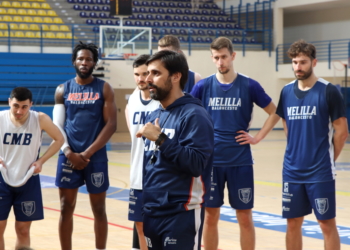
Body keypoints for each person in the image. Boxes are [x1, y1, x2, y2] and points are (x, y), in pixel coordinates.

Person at [190, 37, 280, 250]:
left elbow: (275, 112)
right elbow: (187, 113)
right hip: (211, 163)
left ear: (233, 56)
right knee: (211, 217)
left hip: (240, 161)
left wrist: (257, 137)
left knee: (245, 217)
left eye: (223, 57)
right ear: (212, 59)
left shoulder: (249, 85)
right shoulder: (203, 86)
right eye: (216, 58)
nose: (220, 62)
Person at [136, 50, 214, 250]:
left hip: (181, 214)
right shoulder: (154, 115)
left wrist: (161, 138)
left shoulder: (195, 115)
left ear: (176, 76)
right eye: (147, 73)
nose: (148, 79)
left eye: (155, 73)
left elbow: (196, 164)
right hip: (152, 212)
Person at [276, 40, 349, 250]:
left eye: (303, 62)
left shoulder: (328, 91)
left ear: (314, 62)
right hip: (291, 170)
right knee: (292, 223)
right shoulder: (286, 91)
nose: (298, 67)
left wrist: (328, 160)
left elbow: (341, 132)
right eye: (295, 62)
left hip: (320, 171)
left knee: (326, 224)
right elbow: (286, 123)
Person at [53, 42, 117, 250]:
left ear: (95, 63)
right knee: (65, 207)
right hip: (68, 155)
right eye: (81, 58)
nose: (84, 62)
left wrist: (87, 153)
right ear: (74, 61)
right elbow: (57, 127)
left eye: (89, 59)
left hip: (95, 156)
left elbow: (111, 125)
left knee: (99, 209)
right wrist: (69, 152)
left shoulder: (104, 88)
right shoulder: (62, 89)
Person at [0, 87, 64, 250]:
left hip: (28, 179)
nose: (19, 111)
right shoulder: (1, 118)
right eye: (15, 106)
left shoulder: (40, 119)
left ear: (31, 105)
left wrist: (41, 160)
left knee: (23, 230)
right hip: (2, 179)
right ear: (9, 102)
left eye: (24, 107)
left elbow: (59, 139)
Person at [125, 54, 160, 250]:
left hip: (158, 175)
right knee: (140, 226)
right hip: (137, 173)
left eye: (145, 73)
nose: (140, 78)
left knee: (157, 228)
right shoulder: (133, 99)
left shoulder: (161, 99)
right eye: (136, 74)